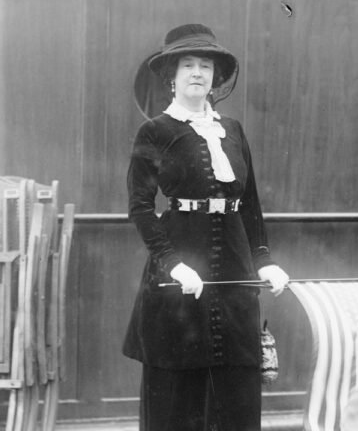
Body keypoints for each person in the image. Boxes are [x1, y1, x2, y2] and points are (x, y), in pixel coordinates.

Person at [123, 23, 290, 431]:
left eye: (205, 65)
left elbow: (250, 203)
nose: (198, 72)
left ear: (216, 76)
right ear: (171, 75)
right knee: (178, 394)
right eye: (188, 65)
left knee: (235, 388)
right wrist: (173, 264)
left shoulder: (232, 130)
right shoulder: (155, 131)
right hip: (180, 272)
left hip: (234, 269)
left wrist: (264, 260)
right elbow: (140, 207)